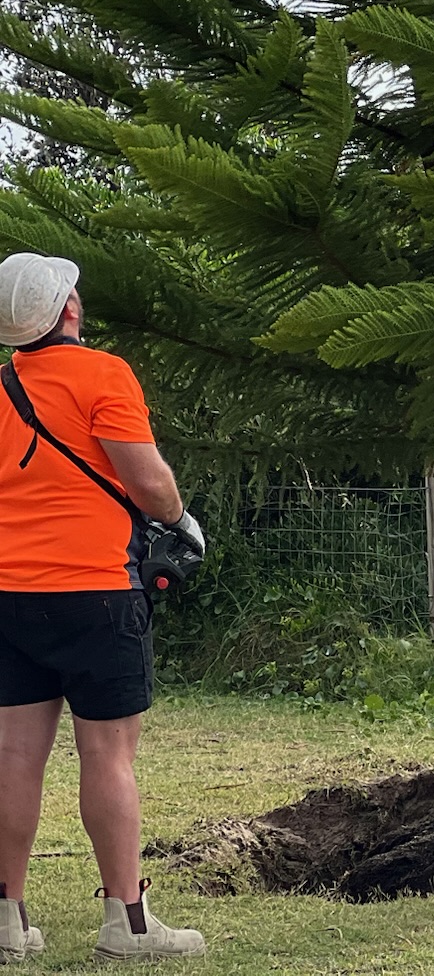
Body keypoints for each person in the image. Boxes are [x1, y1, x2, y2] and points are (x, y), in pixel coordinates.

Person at [0, 252, 206, 961]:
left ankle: (6, 920)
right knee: (108, 755)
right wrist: (179, 518)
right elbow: (147, 483)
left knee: (14, 755)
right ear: (68, 310)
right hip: (98, 591)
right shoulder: (104, 374)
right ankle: (129, 926)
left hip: (9, 595)